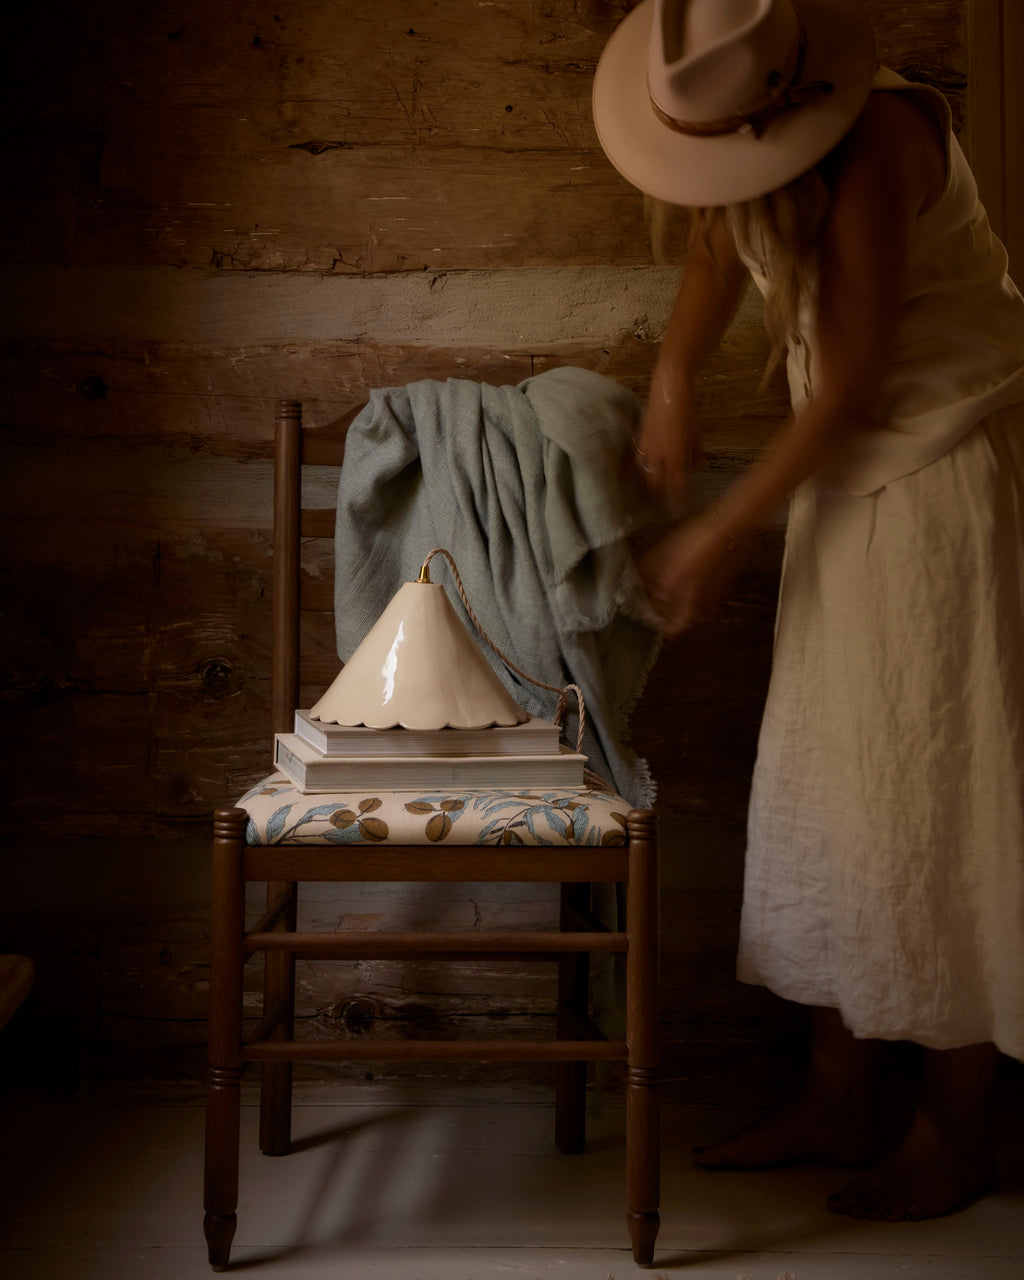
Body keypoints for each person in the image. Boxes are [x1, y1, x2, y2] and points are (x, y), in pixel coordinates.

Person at [593, 0, 1024, 1222]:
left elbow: (849, 384)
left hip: (936, 482)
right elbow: (716, 244)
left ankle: (958, 1121)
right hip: (850, 489)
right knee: (840, 785)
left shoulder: (882, 138)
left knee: (937, 799)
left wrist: (722, 532)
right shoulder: (757, 131)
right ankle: (839, 1088)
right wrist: (674, 367)